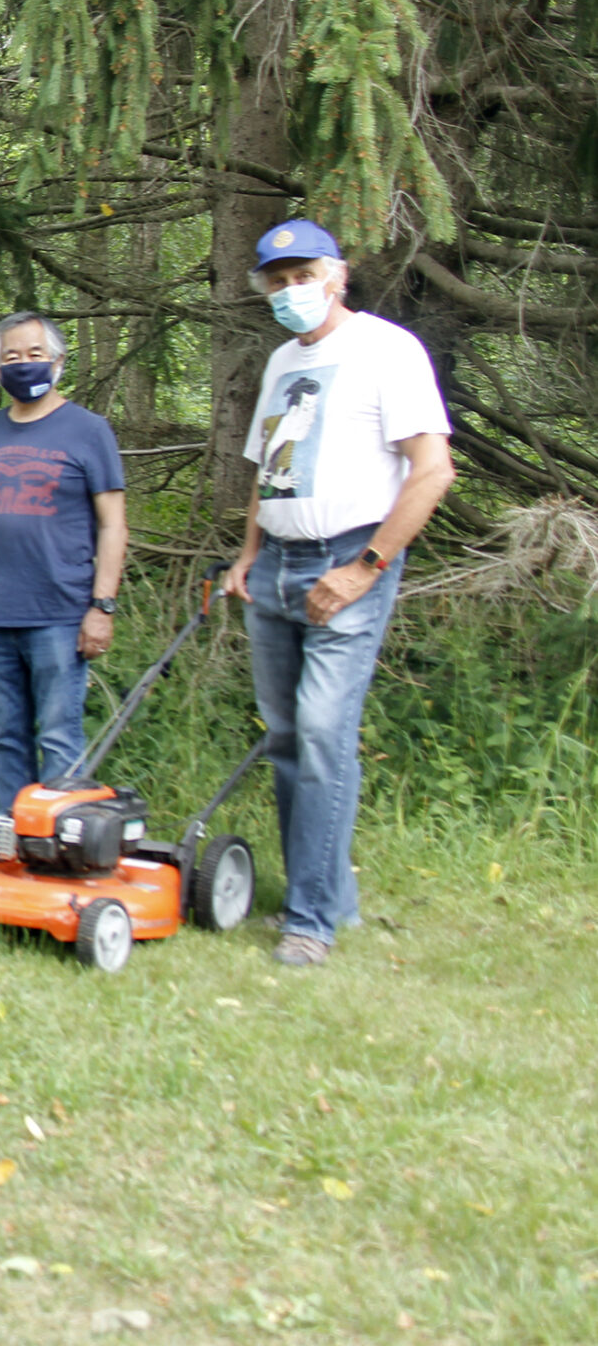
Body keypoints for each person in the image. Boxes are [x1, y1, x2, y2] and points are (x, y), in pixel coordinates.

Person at [222, 221, 453, 967]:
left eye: (303, 276)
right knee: (287, 736)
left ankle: (310, 921)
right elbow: (269, 469)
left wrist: (366, 567)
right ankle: (325, 895)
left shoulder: (387, 350)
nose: (290, 292)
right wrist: (248, 557)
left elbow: (432, 471)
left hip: (349, 562)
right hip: (277, 566)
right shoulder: (284, 360)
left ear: (338, 276)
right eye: (277, 280)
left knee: (323, 734)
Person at [0, 311, 129, 817]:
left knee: (58, 736)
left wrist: (103, 605)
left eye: (34, 354)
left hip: (60, 613)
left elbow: (114, 524)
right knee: (7, 735)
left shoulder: (89, 430)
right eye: (12, 357)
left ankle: (60, 844)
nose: (23, 364)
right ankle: (13, 845)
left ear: (58, 361)